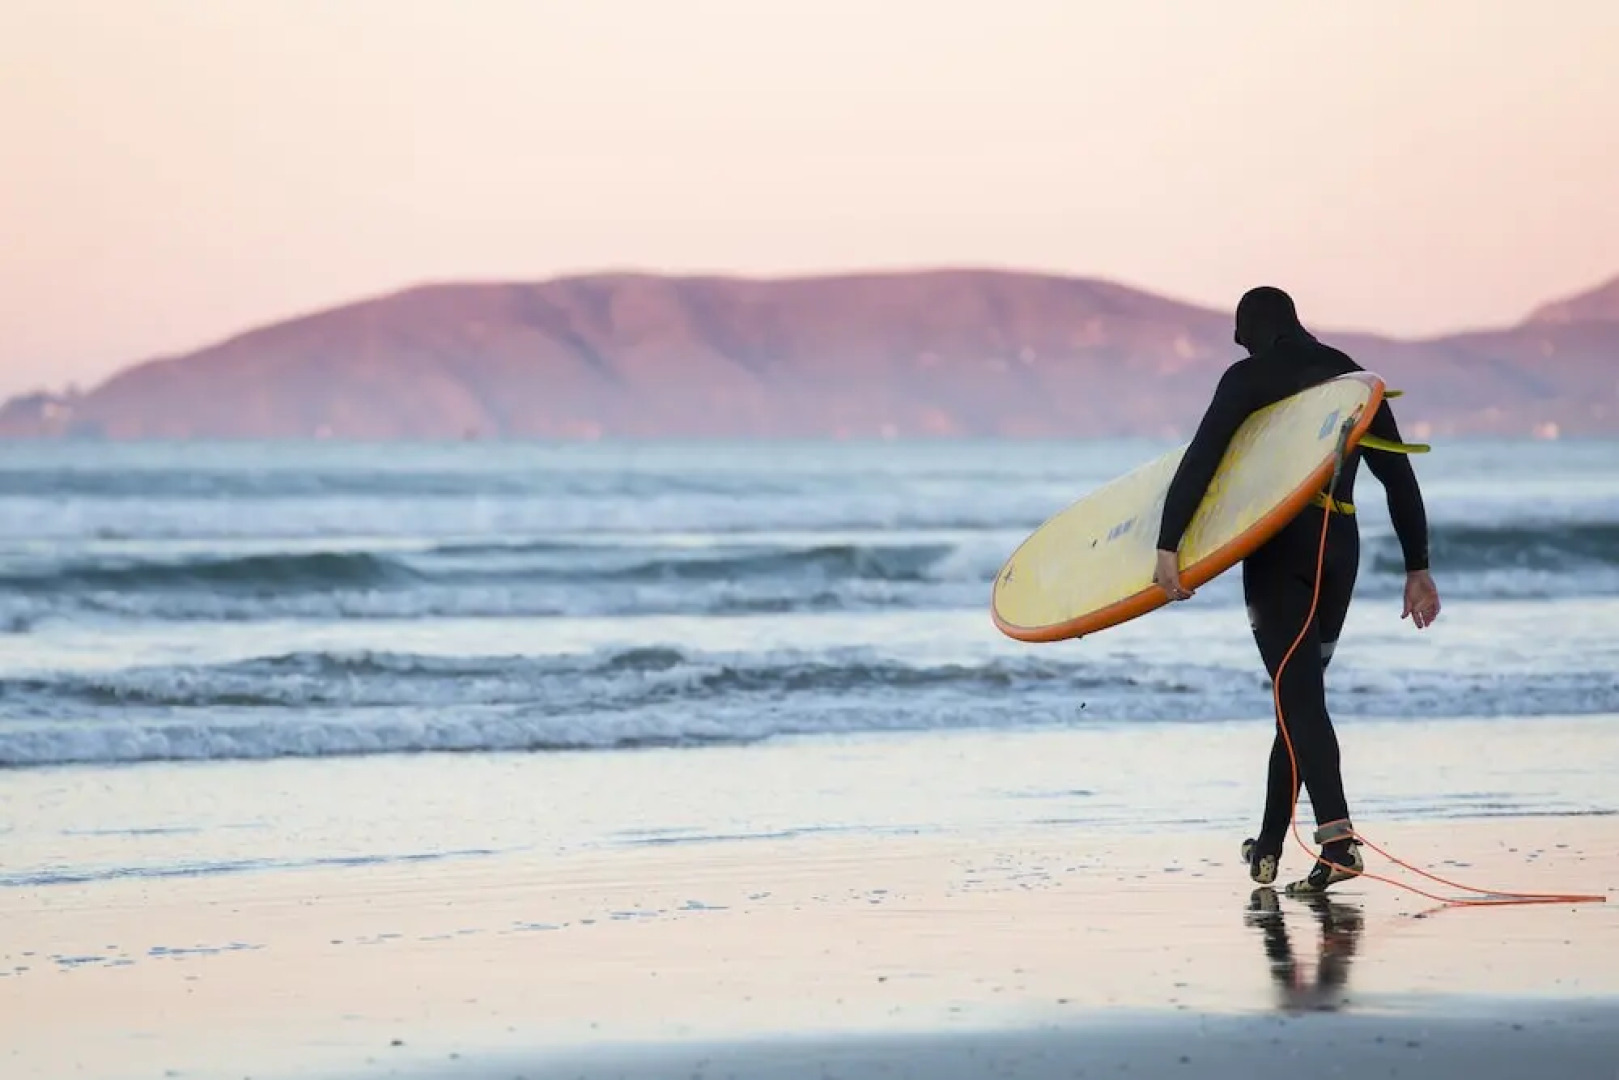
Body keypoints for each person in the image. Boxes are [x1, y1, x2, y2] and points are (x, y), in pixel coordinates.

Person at [1151, 286, 1441, 894]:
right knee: (1298, 695)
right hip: (1341, 546)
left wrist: (1167, 543)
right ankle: (1269, 848)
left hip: (1281, 550)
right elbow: (1398, 476)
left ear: (1250, 332)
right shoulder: (1355, 379)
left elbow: (1202, 460)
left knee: (1297, 695)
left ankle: (1336, 841)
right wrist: (1418, 567)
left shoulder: (1247, 378)